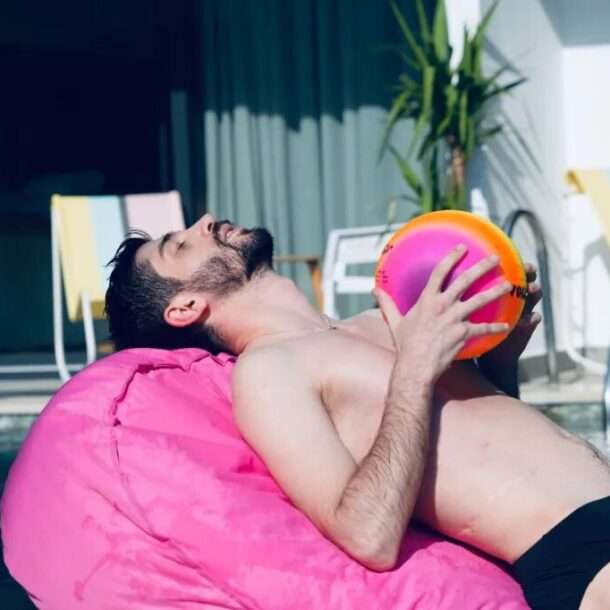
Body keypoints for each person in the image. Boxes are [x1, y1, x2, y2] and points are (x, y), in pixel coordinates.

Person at [105, 214, 610, 610]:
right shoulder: (269, 372)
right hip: (579, 552)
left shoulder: (378, 319)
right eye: (180, 244)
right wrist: (414, 367)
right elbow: (367, 535)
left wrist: (500, 361)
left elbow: (485, 454)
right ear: (185, 307)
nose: (207, 221)